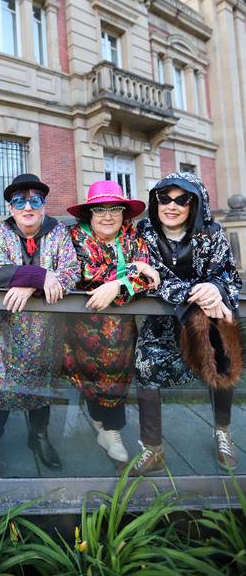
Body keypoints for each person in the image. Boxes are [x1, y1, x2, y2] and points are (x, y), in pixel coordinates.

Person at [131, 172, 243, 475]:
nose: (171, 206)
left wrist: (216, 288)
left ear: (195, 204)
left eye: (182, 200)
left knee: (221, 367)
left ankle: (222, 433)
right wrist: (202, 294)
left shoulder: (212, 234)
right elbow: (151, 278)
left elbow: (229, 276)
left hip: (208, 323)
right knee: (146, 371)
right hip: (161, 323)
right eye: (164, 198)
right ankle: (153, 450)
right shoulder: (143, 233)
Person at [0, 173, 80, 477]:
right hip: (7, 329)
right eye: (19, 201)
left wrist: (27, 285)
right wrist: (39, 276)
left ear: (44, 206)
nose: (27, 207)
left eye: (35, 201)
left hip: (48, 330)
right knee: (2, 389)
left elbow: (71, 273)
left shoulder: (59, 232)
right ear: (10, 207)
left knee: (42, 387)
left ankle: (39, 437)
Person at [64, 180, 160, 463]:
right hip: (81, 327)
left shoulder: (133, 237)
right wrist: (134, 269)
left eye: (115, 209)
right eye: (100, 209)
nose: (108, 216)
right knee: (88, 379)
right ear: (89, 214)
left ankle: (111, 430)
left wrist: (118, 285)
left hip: (121, 330)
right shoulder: (76, 237)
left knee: (117, 378)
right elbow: (88, 275)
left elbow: (150, 280)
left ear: (123, 213)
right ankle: (102, 426)